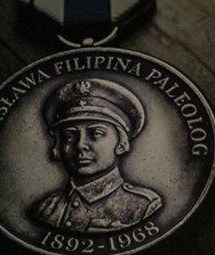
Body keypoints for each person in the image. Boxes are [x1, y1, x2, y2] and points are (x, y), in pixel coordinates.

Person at [29, 78, 162, 233]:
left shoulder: (144, 206)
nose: (80, 145)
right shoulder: (45, 209)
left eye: (96, 133)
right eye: (69, 135)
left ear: (121, 143)